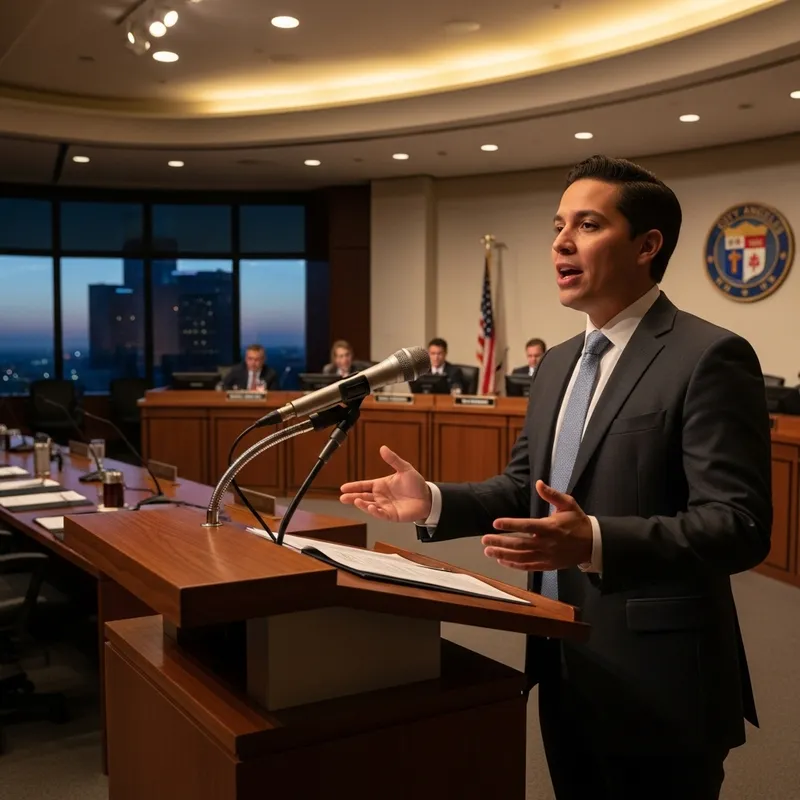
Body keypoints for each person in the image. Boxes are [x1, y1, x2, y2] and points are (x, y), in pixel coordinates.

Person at [340, 155, 772, 800]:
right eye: (557, 226)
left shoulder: (707, 356)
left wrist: (593, 540)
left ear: (647, 245)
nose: (561, 244)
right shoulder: (558, 363)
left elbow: (738, 525)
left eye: (588, 225)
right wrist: (431, 500)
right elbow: (524, 488)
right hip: (561, 653)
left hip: (661, 676)